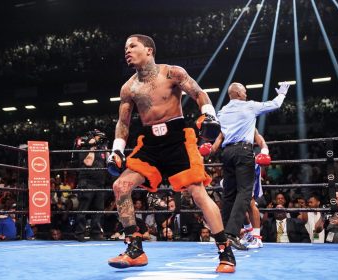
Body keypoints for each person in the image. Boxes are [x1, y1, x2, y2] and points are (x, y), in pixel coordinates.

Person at [106, 34, 235, 273]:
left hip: (177, 139)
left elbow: (198, 93)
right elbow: (123, 124)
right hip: (150, 144)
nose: (127, 50)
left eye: (132, 46)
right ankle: (135, 248)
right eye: (125, 47)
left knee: (197, 193)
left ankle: (224, 249)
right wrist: (117, 150)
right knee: (120, 186)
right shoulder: (128, 87)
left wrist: (209, 114)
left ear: (149, 50)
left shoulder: (172, 73)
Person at [215, 81, 290, 250]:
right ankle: (231, 234)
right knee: (244, 193)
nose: (247, 94)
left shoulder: (222, 111)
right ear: (239, 94)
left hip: (226, 153)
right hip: (243, 151)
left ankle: (223, 236)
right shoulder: (249, 106)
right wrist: (282, 93)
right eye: (245, 92)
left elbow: (217, 133)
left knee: (229, 194)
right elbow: (275, 104)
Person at [75, 130, 108, 242]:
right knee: (83, 209)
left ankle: (96, 233)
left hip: (100, 184)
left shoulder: (102, 150)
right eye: (99, 138)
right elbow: (88, 163)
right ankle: (79, 233)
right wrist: (92, 147)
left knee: (98, 210)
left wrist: (106, 149)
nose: (101, 140)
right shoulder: (85, 148)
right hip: (87, 182)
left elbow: (108, 162)